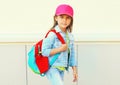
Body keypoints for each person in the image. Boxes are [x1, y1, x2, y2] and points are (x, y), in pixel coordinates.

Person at [42, 4, 78, 85]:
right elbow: (44, 51)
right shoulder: (52, 34)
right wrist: (60, 49)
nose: (64, 21)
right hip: (52, 67)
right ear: (56, 18)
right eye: (62, 17)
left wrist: (74, 70)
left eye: (67, 18)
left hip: (61, 68)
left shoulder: (70, 36)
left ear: (71, 20)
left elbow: (72, 54)